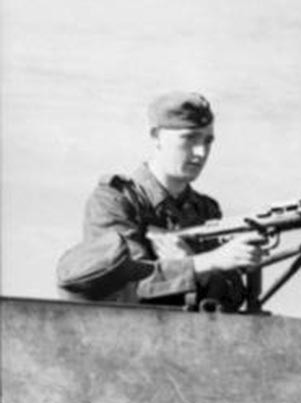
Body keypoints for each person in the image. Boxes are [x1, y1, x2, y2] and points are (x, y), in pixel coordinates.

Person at [56, 91, 262, 310]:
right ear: (156, 135)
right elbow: (125, 283)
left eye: (207, 141)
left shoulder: (206, 210)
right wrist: (202, 264)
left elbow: (234, 295)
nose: (201, 152)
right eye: (189, 138)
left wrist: (198, 269)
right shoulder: (114, 200)